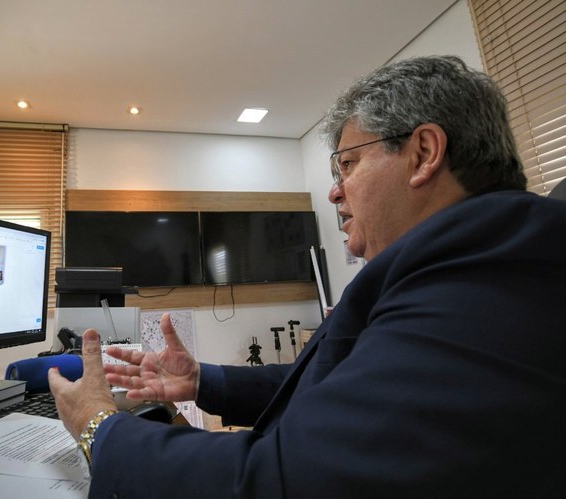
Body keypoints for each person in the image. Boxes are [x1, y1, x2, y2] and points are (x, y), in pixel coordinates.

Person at [48, 56, 566, 497]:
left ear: (424, 153)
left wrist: (100, 429)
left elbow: (288, 482)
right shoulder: (463, 262)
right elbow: (340, 385)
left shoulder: (483, 279)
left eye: (348, 165)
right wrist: (203, 380)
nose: (335, 192)